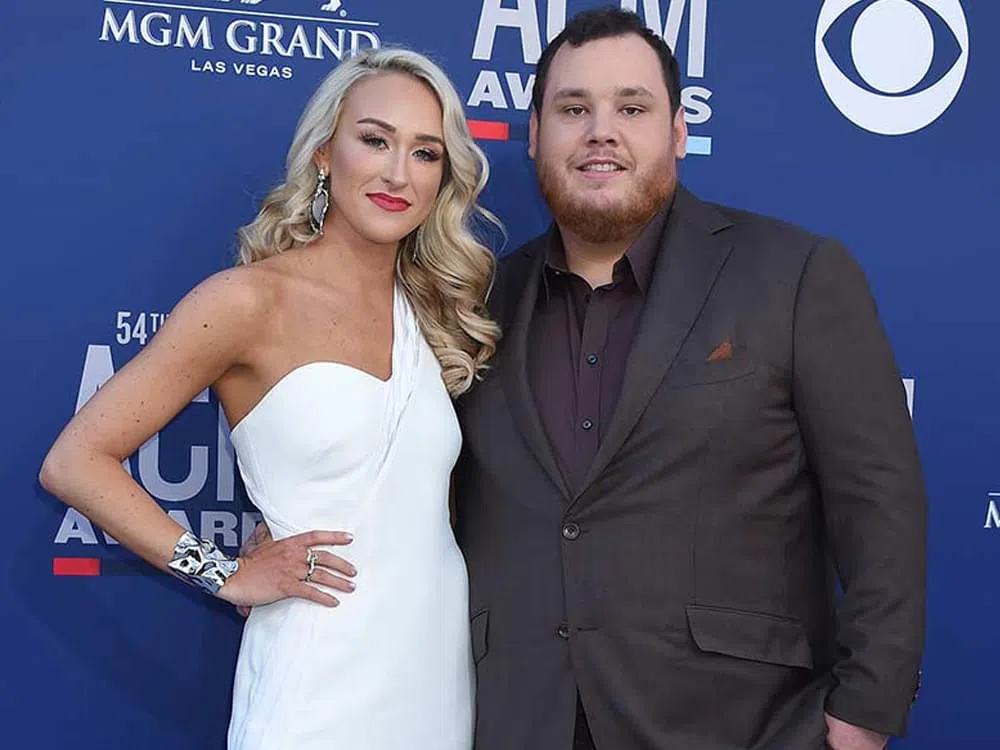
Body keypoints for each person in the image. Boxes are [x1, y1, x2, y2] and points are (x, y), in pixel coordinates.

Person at [452, 8, 926, 750]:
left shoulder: (793, 275)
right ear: (534, 134)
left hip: (744, 724)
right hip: (516, 719)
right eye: (573, 109)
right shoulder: (476, 304)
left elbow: (881, 503)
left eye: (631, 108)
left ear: (677, 131)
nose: (601, 132)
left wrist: (867, 711)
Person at [39, 47, 499, 750]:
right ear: (324, 154)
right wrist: (225, 573)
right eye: (375, 140)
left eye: (425, 152)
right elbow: (74, 463)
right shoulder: (247, 302)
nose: (398, 173)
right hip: (314, 679)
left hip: (434, 683)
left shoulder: (431, 315)